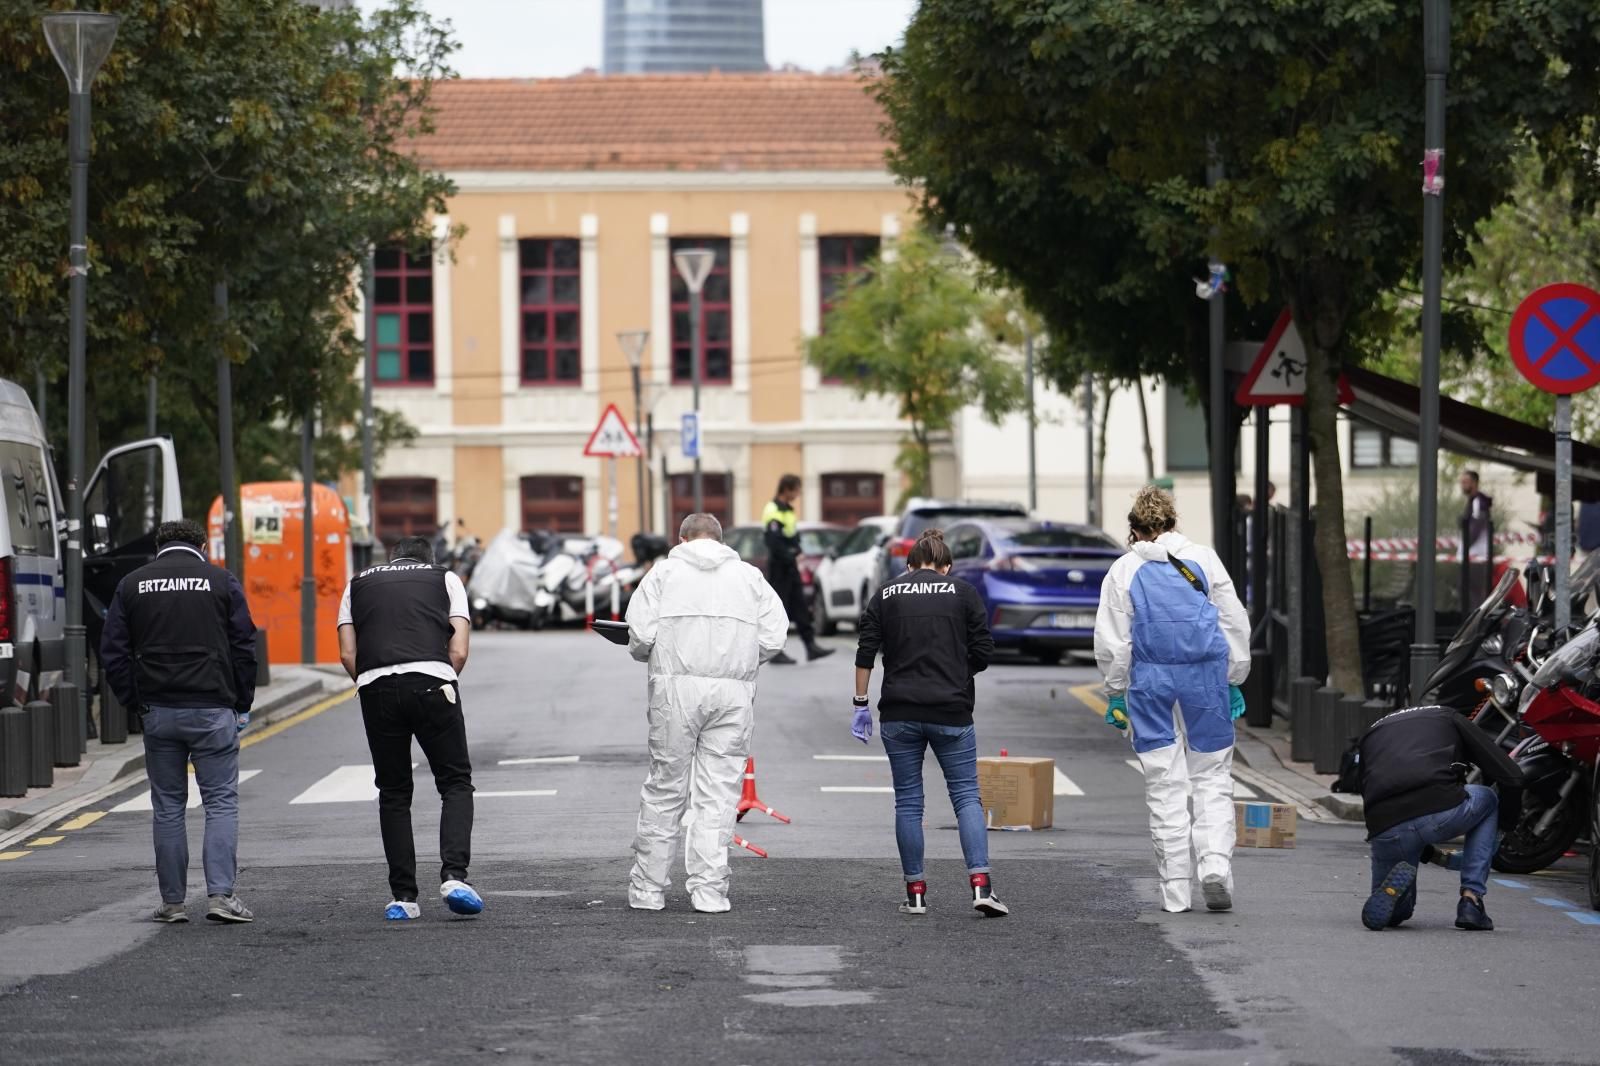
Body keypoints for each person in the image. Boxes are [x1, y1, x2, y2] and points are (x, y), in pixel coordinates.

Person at [1093, 486, 1251, 914]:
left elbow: (1114, 642)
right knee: (1212, 777)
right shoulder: (1205, 559)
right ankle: (1215, 864)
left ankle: (1176, 889)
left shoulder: (1124, 571)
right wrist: (1234, 677)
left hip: (1151, 682)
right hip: (1205, 681)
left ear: (1134, 531)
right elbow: (1233, 620)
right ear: (1173, 521)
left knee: (1165, 783)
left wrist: (1115, 691)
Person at [625, 513, 788, 913]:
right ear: (720, 539)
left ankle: (649, 890)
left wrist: (653, 652)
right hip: (733, 693)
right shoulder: (749, 578)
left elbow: (640, 635)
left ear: (681, 539)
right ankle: (709, 891)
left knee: (665, 788)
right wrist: (743, 661)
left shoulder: (663, 575)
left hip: (675, 692)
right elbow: (774, 635)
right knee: (718, 793)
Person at [100, 519, 258, 924]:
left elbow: (113, 652)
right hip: (212, 708)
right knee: (220, 801)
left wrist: (136, 701)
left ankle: (172, 903)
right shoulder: (221, 582)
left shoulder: (132, 584)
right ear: (203, 545)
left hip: (159, 711)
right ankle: (221, 896)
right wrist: (241, 702)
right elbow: (244, 646)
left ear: (159, 545)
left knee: (168, 806)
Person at [853, 529, 1008, 917]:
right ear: (947, 566)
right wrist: (958, 673)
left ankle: (916, 893)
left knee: (908, 802)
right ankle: (981, 886)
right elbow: (984, 650)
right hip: (951, 711)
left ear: (908, 566)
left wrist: (860, 703)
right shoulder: (963, 593)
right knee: (966, 796)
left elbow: (866, 651)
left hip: (899, 712)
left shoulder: (887, 593)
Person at [337, 535, 480, 921]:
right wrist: (444, 681)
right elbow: (460, 648)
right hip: (433, 680)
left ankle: (403, 897)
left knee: (394, 791)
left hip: (375, 687)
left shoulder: (356, 583)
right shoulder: (445, 578)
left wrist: (369, 683)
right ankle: (454, 876)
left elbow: (348, 652)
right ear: (427, 558)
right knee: (454, 782)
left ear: (392, 559)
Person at [1357, 705, 1525, 932]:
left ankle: (1397, 905)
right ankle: (1471, 900)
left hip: (1386, 825)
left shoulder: (1373, 731)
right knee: (1487, 798)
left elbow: (1364, 785)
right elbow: (1512, 776)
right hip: (1439, 808)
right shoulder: (1450, 717)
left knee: (1397, 913)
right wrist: (1506, 826)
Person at [761, 473, 834, 664]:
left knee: (801, 606)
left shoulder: (788, 510)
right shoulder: (773, 510)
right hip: (779, 567)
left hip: (790, 566)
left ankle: (811, 646)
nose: (798, 494)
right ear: (787, 489)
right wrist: (792, 554)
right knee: (780, 609)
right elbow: (774, 543)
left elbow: (792, 536)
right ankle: (775, 652)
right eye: (797, 490)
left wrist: (797, 550)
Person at [1459, 470, 1494, 603]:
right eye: (1461, 482)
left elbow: (1476, 527)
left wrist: (1466, 544)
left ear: (1474, 483)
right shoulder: (1474, 501)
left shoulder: (1478, 502)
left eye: (1465, 482)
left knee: (1474, 594)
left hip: (1476, 555)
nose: (1462, 485)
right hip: (1473, 554)